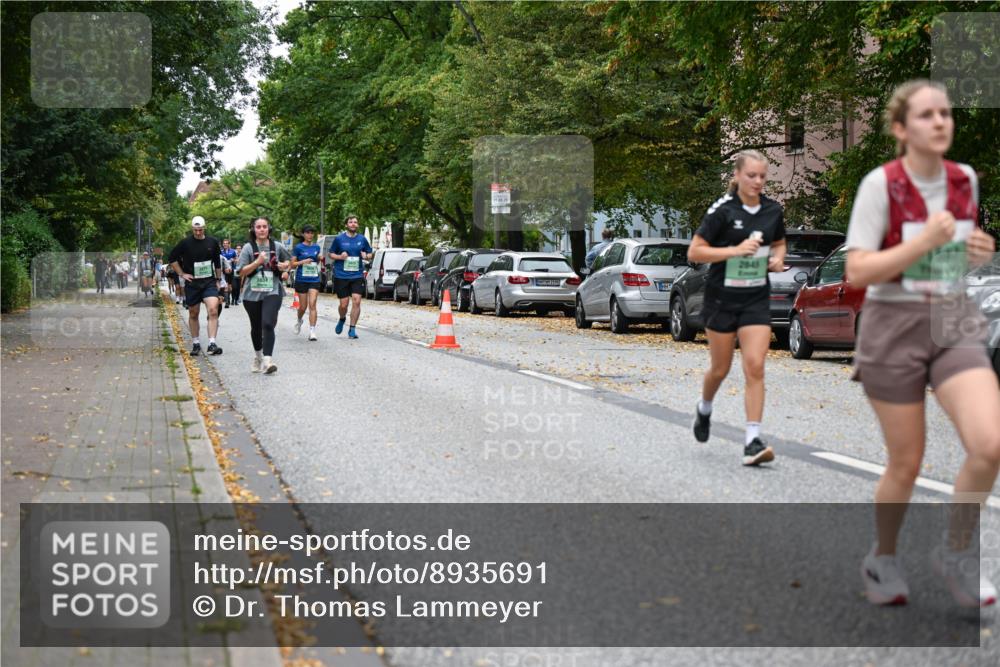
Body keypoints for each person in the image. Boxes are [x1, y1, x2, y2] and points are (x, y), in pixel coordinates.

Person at [846, 80, 999, 608]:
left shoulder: (965, 179)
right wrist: (923, 243)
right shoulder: (879, 185)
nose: (940, 122)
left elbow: (954, 258)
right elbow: (857, 269)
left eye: (946, 113)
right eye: (927, 114)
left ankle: (956, 551)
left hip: (952, 317)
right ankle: (882, 556)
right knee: (906, 463)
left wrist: (977, 252)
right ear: (899, 129)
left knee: (990, 444)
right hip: (893, 322)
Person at [687, 149, 786, 466]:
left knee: (755, 365)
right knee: (720, 369)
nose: (758, 182)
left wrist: (778, 259)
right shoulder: (723, 211)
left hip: (755, 298)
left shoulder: (772, 210)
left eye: (762, 176)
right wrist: (734, 250)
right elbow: (696, 251)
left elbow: (780, 241)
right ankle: (704, 409)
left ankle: (752, 441)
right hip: (722, 299)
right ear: (738, 176)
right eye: (751, 176)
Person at [237, 216, 292, 374]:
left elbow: (290, 261)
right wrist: (257, 262)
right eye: (258, 227)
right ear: (253, 230)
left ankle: (268, 361)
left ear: (269, 229)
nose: (261, 229)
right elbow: (240, 271)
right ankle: (258, 356)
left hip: (272, 291)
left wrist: (285, 268)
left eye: (264, 226)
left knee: (268, 323)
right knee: (256, 327)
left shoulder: (277, 246)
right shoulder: (248, 248)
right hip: (252, 294)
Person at [168, 216, 224, 356]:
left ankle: (212, 343)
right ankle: (196, 343)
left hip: (209, 282)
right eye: (195, 230)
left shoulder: (212, 242)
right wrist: (182, 274)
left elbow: (217, 262)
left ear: (204, 228)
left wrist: (218, 279)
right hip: (192, 283)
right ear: (192, 229)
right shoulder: (185, 243)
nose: (198, 232)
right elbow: (172, 258)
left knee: (213, 309)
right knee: (194, 313)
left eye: (200, 230)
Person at [329, 215, 373, 339]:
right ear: (346, 225)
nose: (353, 224)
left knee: (357, 301)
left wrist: (366, 256)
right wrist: (340, 257)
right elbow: (331, 254)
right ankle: (342, 318)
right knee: (344, 304)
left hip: (357, 274)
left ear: (357, 225)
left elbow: (370, 253)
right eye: (350, 222)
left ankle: (352, 329)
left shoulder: (362, 239)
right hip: (341, 275)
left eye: (355, 222)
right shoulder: (339, 239)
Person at [291, 224, 323, 341]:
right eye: (308, 233)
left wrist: (319, 259)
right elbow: (292, 264)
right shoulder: (298, 247)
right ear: (303, 234)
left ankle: (312, 331)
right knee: (303, 307)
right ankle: (299, 320)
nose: (310, 235)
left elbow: (317, 263)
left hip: (314, 279)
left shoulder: (316, 247)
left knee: (313, 304)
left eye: (311, 233)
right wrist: (303, 261)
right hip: (301, 279)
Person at [221, 238, 238, 308]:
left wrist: (233, 260)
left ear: (229, 244)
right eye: (224, 243)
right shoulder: (221, 251)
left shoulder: (233, 251)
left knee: (231, 287)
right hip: (224, 271)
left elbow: (237, 259)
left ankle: (230, 298)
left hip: (232, 270)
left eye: (226, 243)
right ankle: (227, 302)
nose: (225, 244)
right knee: (226, 285)